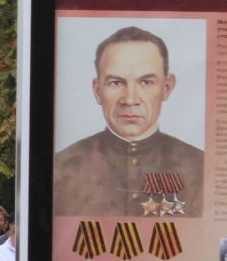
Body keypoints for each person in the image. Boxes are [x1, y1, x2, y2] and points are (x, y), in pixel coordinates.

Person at [53, 25, 205, 216]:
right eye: (116, 83)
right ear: (98, 90)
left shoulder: (201, 169)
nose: (130, 99)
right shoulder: (61, 169)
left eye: (146, 82)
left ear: (167, 87)